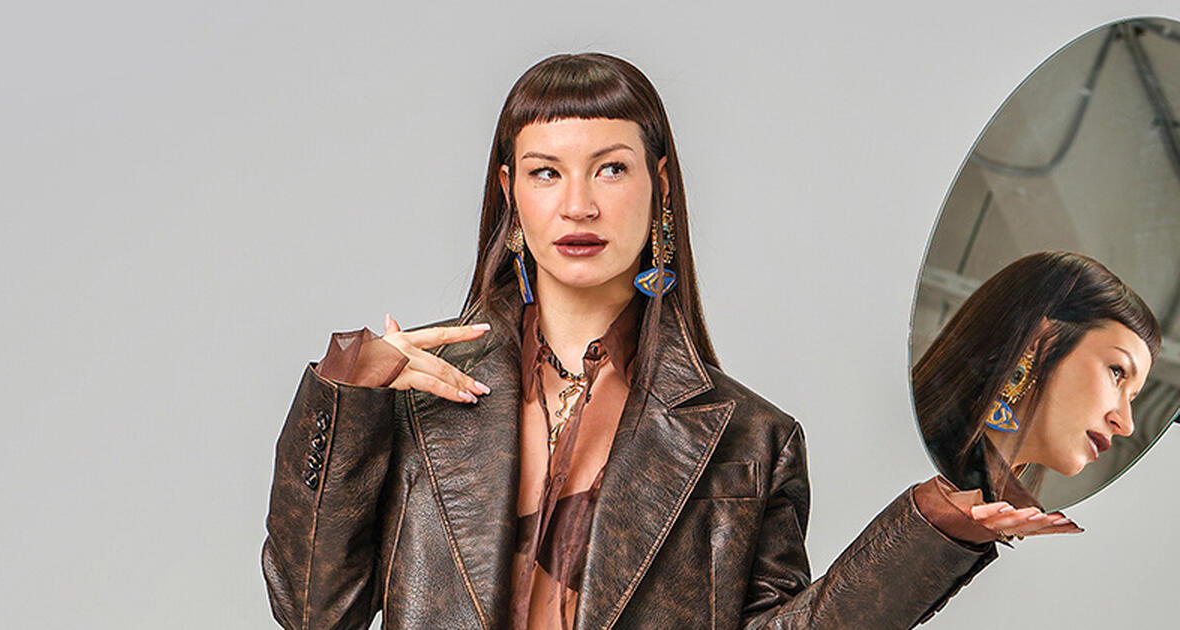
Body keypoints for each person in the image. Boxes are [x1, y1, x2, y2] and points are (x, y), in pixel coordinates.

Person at [262, 53, 1067, 630]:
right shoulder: (412, 404)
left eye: (610, 169)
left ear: (660, 186)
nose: (578, 204)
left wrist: (930, 530)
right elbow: (312, 613)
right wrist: (345, 393)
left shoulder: (751, 440)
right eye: (546, 172)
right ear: (511, 193)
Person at [914, 251, 1161, 530]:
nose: (1126, 424)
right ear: (1038, 339)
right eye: (1117, 372)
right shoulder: (913, 458)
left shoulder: (1007, 520)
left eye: (1132, 398)